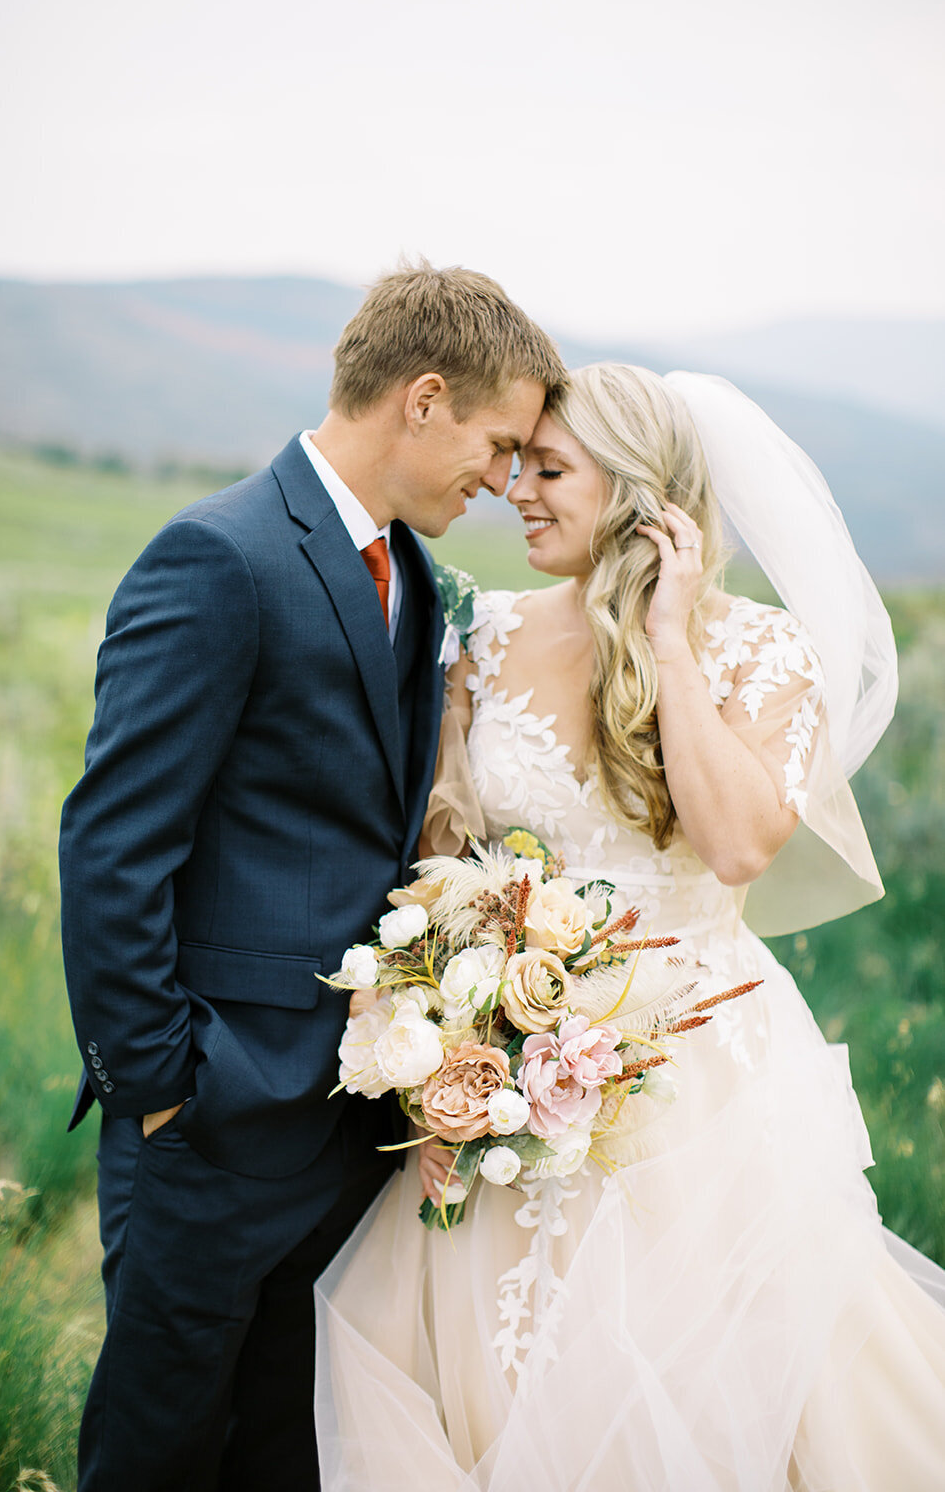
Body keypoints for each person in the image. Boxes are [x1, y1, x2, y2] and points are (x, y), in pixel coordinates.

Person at [314, 363, 945, 1491]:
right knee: (503, 1383)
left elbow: (737, 845)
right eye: (515, 464)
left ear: (641, 496)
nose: (516, 489)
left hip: (695, 1085)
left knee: (715, 1385)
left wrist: (663, 637)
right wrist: (441, 1001)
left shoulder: (757, 652)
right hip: (510, 1069)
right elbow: (443, 856)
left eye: (549, 470)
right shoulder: (484, 635)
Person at [58, 261, 567, 1492]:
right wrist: (165, 1087)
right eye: (498, 445)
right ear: (426, 398)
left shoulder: (410, 578)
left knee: (293, 1450)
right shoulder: (217, 557)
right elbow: (112, 846)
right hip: (212, 1122)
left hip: (345, 1133)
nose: (502, 482)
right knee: (162, 1449)